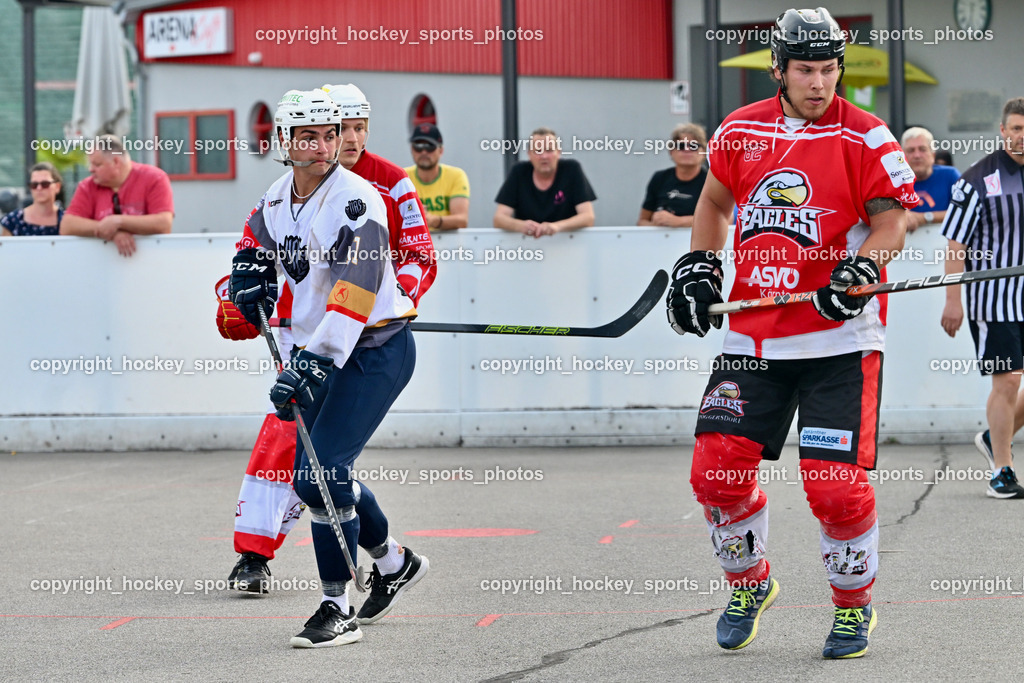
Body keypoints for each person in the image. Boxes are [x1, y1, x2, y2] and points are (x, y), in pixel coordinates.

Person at [666, 7, 917, 659]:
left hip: (839, 339)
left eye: (829, 69)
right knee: (716, 472)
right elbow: (716, 203)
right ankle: (749, 582)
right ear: (778, 69)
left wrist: (862, 265)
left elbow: (892, 223)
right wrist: (697, 264)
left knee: (833, 486)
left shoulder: (865, 136)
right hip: (752, 337)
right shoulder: (741, 130)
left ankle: (852, 607)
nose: (819, 83)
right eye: (805, 69)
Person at [228, 88, 428, 648]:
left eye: (329, 135)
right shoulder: (276, 195)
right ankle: (393, 562)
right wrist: (247, 272)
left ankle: (335, 607)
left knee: (321, 473)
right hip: (323, 350)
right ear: (285, 142)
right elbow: (257, 241)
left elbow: (355, 295)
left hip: (371, 352)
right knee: (317, 477)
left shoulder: (357, 200)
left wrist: (314, 361)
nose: (320, 146)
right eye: (307, 136)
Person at [939, 97, 1024, 500]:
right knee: (1008, 379)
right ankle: (1002, 470)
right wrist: (952, 300)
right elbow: (955, 244)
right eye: (1017, 129)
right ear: (1003, 132)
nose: (1022, 137)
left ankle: (995, 437)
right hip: (995, 300)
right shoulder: (976, 179)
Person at [60, 135, 173, 257]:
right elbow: (67, 225)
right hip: (101, 265)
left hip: (149, 261)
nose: (90, 169)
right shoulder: (87, 186)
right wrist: (110, 231)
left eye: (97, 165)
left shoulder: (154, 178)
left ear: (116, 162)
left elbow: (164, 224)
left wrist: (118, 221)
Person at [493, 127, 596, 237]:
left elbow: (588, 217)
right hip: (528, 247)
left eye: (549, 150)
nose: (544, 156)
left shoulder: (572, 169)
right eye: (538, 151)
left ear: (558, 152)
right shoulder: (519, 172)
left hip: (568, 244)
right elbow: (499, 219)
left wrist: (557, 226)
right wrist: (521, 225)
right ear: (529, 154)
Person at [637, 123, 708, 227]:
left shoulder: (711, 180)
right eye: (681, 146)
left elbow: (726, 219)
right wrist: (656, 224)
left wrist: (678, 222)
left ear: (704, 152)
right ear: (671, 152)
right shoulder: (659, 178)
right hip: (662, 241)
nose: (687, 150)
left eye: (693, 146)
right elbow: (642, 221)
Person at [404, 122, 470, 230]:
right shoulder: (402, 177)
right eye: (418, 147)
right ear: (412, 150)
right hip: (414, 243)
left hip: (448, 246)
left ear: (441, 150)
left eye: (430, 146)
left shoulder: (456, 175)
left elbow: (462, 220)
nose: (424, 152)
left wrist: (433, 220)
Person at [901, 127, 961, 233]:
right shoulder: (894, 182)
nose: (917, 155)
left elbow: (963, 212)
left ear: (933, 155)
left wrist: (924, 217)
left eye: (922, 149)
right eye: (911, 150)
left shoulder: (950, 175)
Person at [1, 162, 64, 236]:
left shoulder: (66, 220)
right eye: (34, 185)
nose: (39, 188)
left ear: (57, 187)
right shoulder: (13, 221)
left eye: (45, 184)